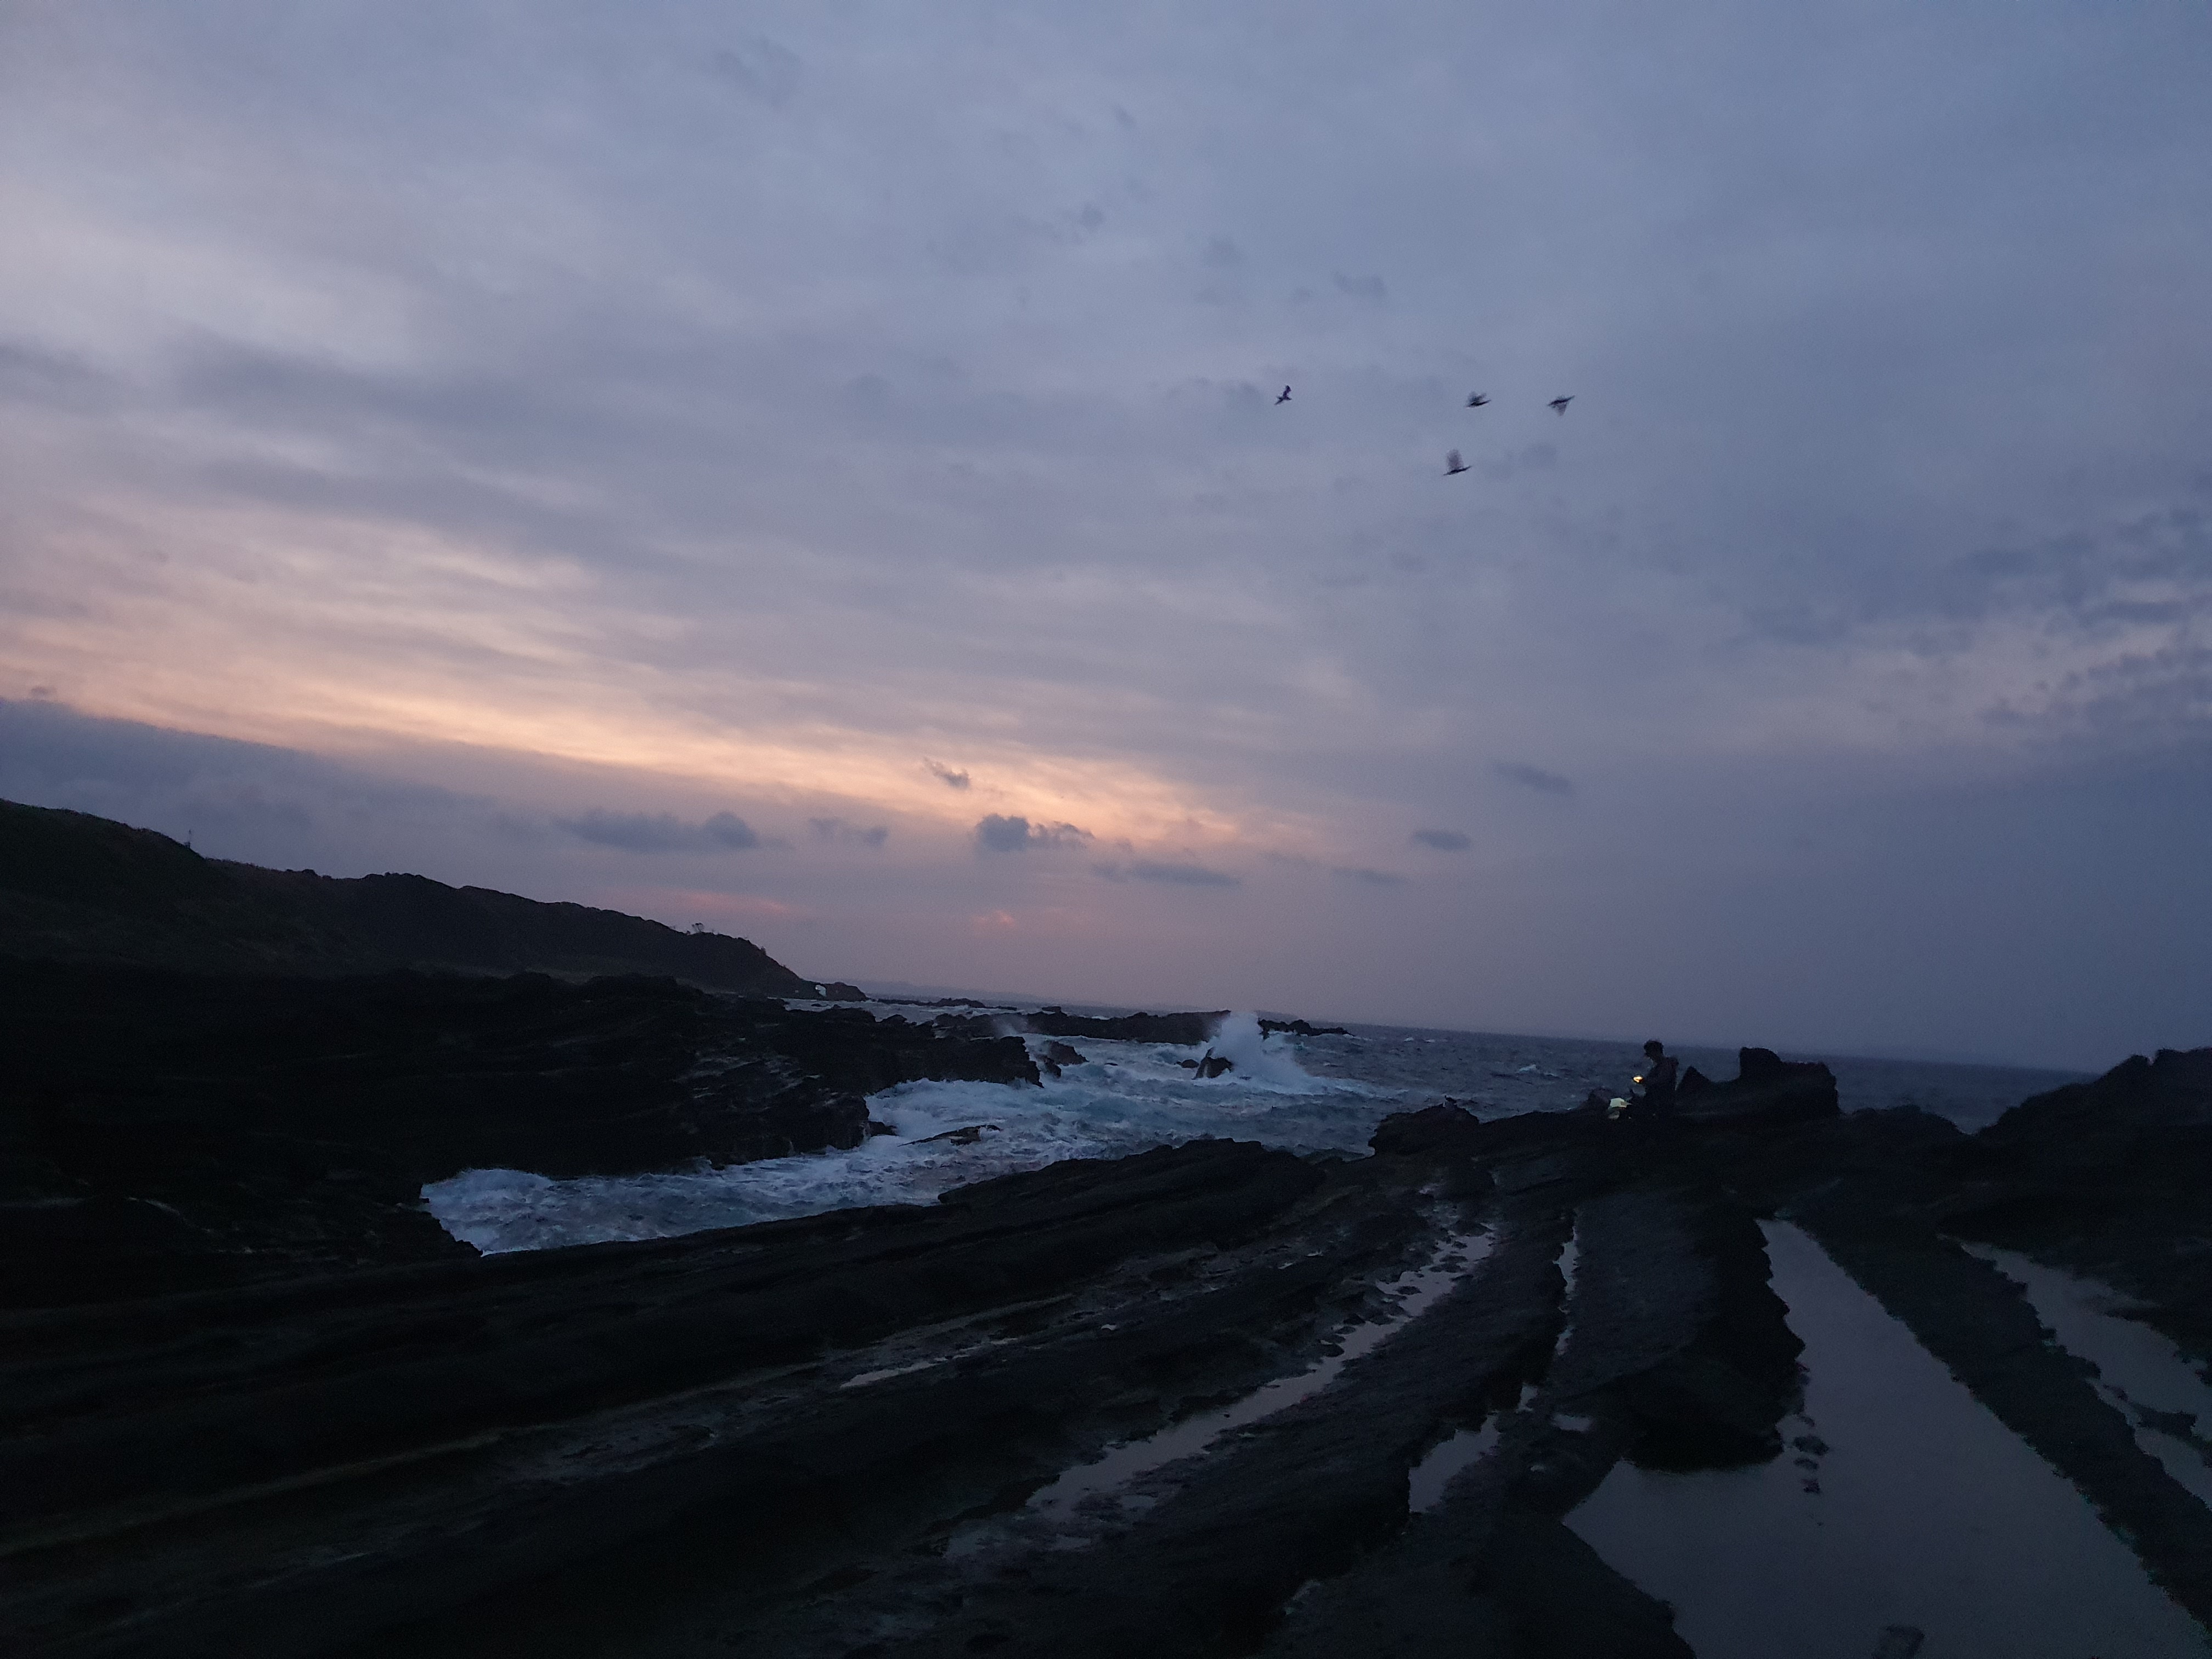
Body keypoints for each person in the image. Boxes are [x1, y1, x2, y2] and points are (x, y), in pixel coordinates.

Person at [1635, 1040, 1678, 1116]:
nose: (1650, 1057)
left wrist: (1646, 1081)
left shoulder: (1666, 1065)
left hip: (1662, 1102)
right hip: (1656, 1100)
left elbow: (1662, 1081)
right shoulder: (1659, 1066)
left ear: (1656, 1052)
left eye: (1650, 1054)